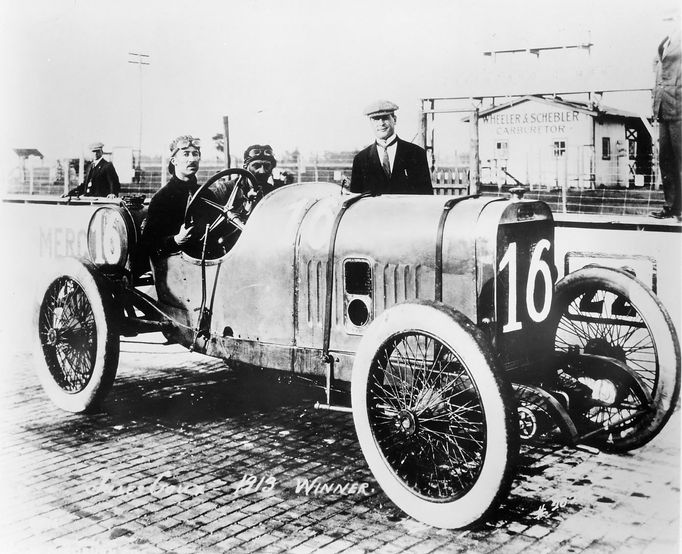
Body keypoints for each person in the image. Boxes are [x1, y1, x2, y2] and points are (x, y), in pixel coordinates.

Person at [143, 135, 221, 259]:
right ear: (174, 161)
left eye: (195, 154)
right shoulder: (162, 198)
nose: (192, 159)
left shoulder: (207, 195)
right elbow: (148, 244)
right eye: (186, 154)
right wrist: (176, 240)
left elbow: (221, 233)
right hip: (176, 269)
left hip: (208, 265)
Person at [350, 100, 432, 195]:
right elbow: (355, 200)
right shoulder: (360, 159)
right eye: (376, 119)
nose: (381, 123)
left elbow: (426, 196)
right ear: (371, 123)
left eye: (385, 118)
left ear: (395, 120)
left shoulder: (416, 153)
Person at [650, 17, 681, 221]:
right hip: (663, 109)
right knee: (666, 161)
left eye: (671, 19)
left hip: (680, 108)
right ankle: (672, 207)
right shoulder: (663, 44)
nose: (667, 23)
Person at [213, 144, 284, 219]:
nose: (262, 171)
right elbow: (213, 223)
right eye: (256, 166)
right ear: (245, 167)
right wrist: (246, 206)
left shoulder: (274, 192)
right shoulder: (227, 190)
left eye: (266, 166)